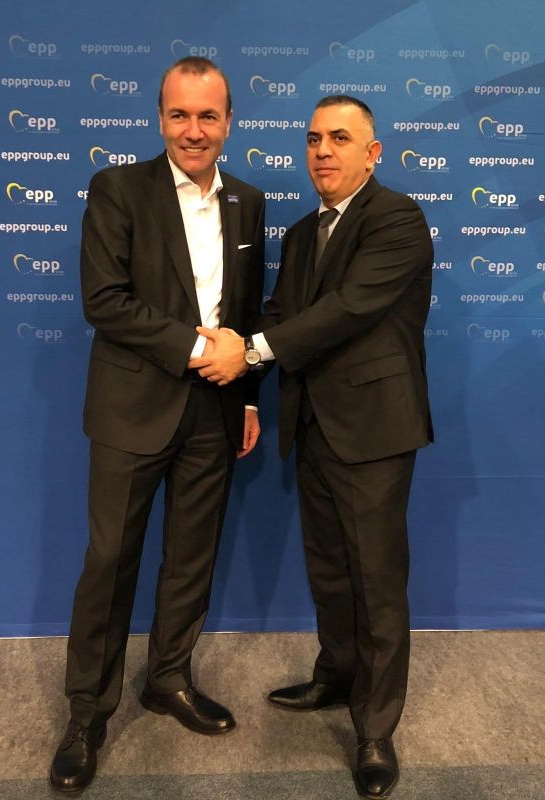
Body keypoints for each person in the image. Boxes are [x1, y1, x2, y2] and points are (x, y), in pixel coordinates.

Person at [191, 95, 433, 799]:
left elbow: (346, 310)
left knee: (376, 582)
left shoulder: (397, 218)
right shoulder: (302, 234)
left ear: (373, 153)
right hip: (314, 427)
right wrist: (236, 370)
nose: (323, 151)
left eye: (340, 139)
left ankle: (375, 730)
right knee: (329, 570)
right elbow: (277, 316)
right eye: (314, 139)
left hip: (375, 430)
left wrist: (249, 351)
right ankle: (337, 675)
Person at [49, 57, 265, 794]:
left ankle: (168, 677)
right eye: (179, 115)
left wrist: (248, 396)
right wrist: (197, 349)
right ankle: (87, 715)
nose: (193, 131)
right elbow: (105, 300)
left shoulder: (248, 201)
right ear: (160, 118)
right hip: (131, 408)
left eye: (207, 116)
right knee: (110, 562)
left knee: (191, 557)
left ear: (228, 122)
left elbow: (246, 311)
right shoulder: (117, 189)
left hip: (214, 410)